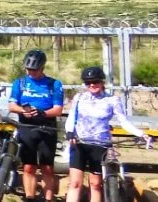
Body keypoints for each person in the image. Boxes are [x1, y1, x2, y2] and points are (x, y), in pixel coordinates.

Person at [64, 67, 152, 202]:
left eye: (95, 81)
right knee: (75, 183)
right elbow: (71, 117)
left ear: (102, 82)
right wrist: (69, 132)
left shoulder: (112, 100)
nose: (92, 85)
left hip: (101, 145)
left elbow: (123, 121)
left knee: (95, 184)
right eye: (88, 83)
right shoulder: (79, 98)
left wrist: (140, 133)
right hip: (80, 143)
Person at [6, 49, 64, 201]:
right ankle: (30, 197)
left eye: (35, 70)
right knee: (28, 166)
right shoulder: (20, 83)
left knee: (47, 167)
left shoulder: (54, 84)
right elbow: (12, 105)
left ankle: (48, 198)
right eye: (28, 69)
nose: (31, 72)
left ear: (42, 67)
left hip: (47, 127)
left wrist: (42, 113)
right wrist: (22, 111)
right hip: (27, 127)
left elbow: (58, 109)